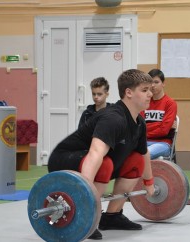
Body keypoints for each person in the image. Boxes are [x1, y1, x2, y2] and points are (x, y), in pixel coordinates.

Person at [48, 69, 155, 240]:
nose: (150, 93)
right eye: (144, 90)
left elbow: (144, 154)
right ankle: (87, 217)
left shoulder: (139, 122)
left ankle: (112, 216)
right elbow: (95, 154)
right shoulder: (113, 118)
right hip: (65, 159)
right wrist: (83, 193)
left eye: (150, 89)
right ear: (128, 92)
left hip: (95, 162)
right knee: (105, 163)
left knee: (135, 161)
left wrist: (149, 183)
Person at [142, 69, 178, 160]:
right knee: (125, 152)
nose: (153, 85)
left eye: (156, 82)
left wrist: (146, 129)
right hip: (143, 142)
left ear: (163, 84)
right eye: (150, 82)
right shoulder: (144, 102)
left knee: (144, 154)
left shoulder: (170, 103)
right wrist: (159, 124)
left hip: (163, 144)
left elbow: (164, 130)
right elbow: (139, 127)